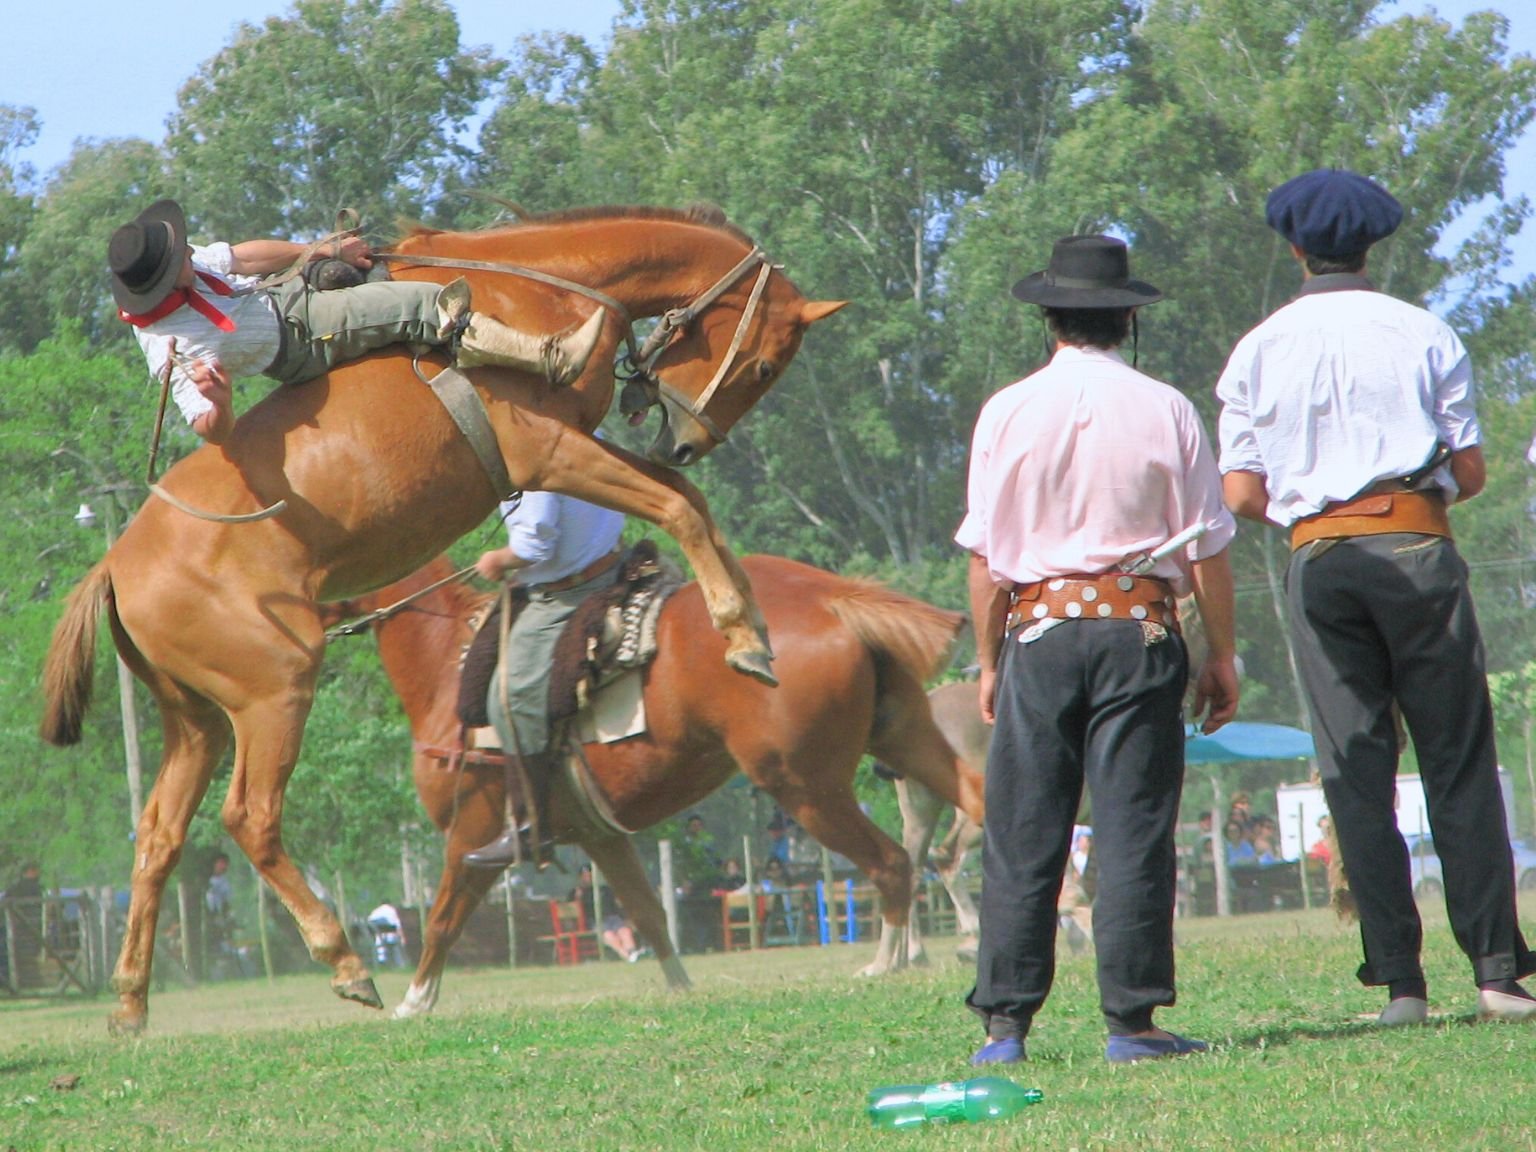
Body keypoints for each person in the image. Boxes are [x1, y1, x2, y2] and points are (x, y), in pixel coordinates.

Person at [1215, 167, 1536, 1025]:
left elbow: (1243, 494)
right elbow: (1469, 470)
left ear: (1295, 250)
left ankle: (1400, 982)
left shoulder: (1257, 348)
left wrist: (1314, 506)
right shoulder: (1425, 331)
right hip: (1419, 546)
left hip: (1319, 558)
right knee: (1456, 759)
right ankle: (1498, 973)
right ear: (1371, 246)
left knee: (1354, 769)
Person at [955, 234, 1240, 1066]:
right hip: (1141, 629)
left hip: (1038, 629)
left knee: (1024, 828)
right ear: (1127, 319)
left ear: (1048, 318)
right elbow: (1207, 549)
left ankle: (1005, 1028)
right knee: (1133, 827)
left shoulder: (1005, 410)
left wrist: (988, 661)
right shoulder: (1168, 408)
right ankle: (1134, 1025)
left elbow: (984, 561)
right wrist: (1220, 653)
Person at [108, 198, 605, 443]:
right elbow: (207, 428)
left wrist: (317, 249)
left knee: (373, 264)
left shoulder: (188, 262)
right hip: (300, 337)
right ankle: (550, 359)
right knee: (420, 303)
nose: (191, 263)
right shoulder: (168, 346)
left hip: (289, 292)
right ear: (159, 285)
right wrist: (218, 401)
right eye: (181, 267)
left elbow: (241, 258)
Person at [461, 491, 626, 868]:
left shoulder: (533, 460)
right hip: (614, 562)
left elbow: (535, 543)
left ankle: (528, 827)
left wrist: (499, 559)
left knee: (509, 700)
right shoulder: (588, 436)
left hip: (570, 591)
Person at [570, 865, 646, 962]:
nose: (587, 878)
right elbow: (572, 910)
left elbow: (616, 905)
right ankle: (626, 955)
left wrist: (625, 917)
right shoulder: (576, 892)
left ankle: (632, 952)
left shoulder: (605, 889)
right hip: (594, 921)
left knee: (625, 931)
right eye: (584, 876)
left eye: (590, 876)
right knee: (609, 935)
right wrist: (578, 898)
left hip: (612, 918)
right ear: (580, 878)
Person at [3, 862, 44, 989]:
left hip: (16, 926)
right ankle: (28, 981)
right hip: (28, 925)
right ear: (29, 871)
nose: (38, 873)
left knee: (17, 954)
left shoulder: (14, 887)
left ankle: (20, 981)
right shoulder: (34, 887)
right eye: (35, 870)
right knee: (27, 954)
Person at [365, 902, 408, 969]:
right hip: (390, 936)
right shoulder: (392, 910)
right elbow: (398, 926)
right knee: (396, 944)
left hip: (377, 936)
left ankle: (382, 962)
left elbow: (369, 922)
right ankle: (399, 964)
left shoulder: (375, 911)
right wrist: (402, 937)